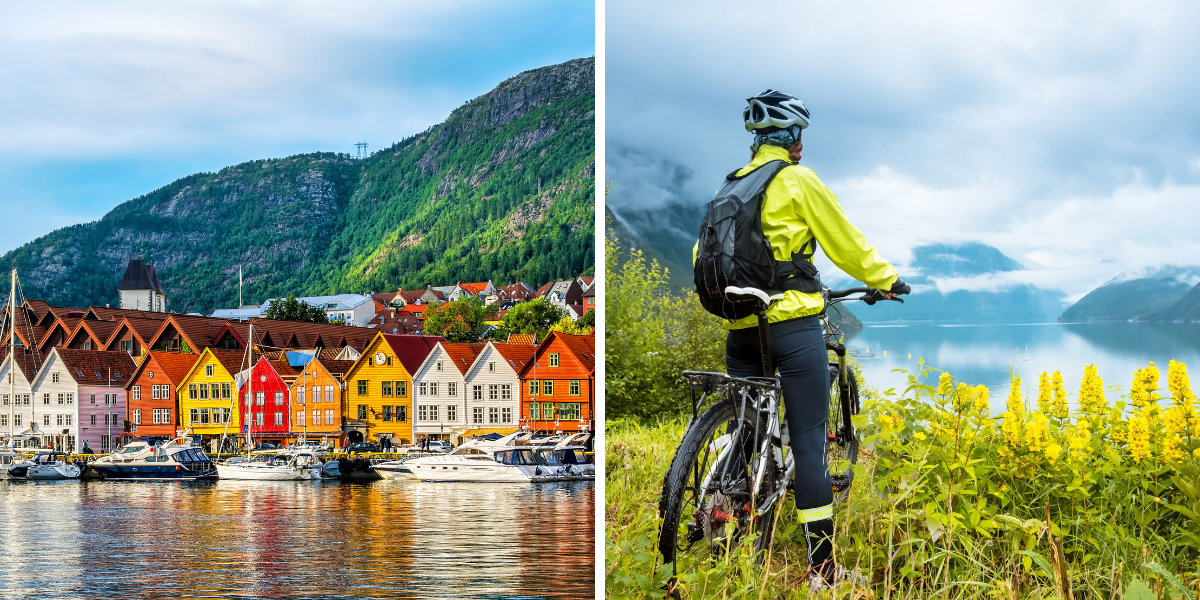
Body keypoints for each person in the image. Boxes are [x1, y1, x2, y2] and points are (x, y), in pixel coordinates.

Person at [698, 89, 910, 587]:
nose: (801, 145)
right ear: (791, 137)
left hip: (741, 330)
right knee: (811, 441)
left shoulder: (730, 189)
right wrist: (884, 278)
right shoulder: (797, 181)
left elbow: (700, 259)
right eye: (800, 136)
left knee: (749, 430)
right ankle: (824, 571)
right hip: (792, 328)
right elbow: (845, 241)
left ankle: (722, 513)